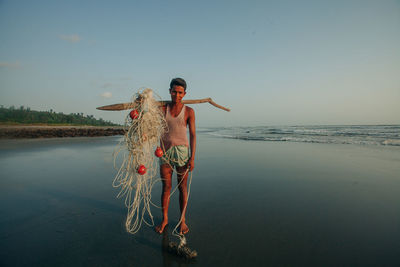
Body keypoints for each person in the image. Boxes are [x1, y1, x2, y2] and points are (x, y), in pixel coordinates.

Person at [155, 78, 196, 234]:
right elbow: (148, 116)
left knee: (182, 188)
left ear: (184, 94)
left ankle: (182, 220)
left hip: (182, 153)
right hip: (164, 151)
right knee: (166, 187)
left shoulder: (189, 112)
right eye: (174, 91)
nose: (177, 95)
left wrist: (192, 157)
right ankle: (164, 219)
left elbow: (192, 135)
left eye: (180, 92)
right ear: (170, 91)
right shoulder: (161, 109)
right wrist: (143, 102)